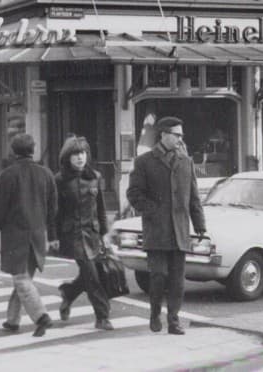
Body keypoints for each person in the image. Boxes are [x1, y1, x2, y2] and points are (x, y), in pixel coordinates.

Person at [127, 116, 206, 335]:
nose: (180, 138)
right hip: (156, 229)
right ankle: (154, 313)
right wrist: (152, 210)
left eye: (181, 134)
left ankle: (173, 320)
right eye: (176, 134)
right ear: (163, 135)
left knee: (177, 280)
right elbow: (133, 193)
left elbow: (194, 197)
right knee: (158, 275)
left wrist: (199, 225)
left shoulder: (186, 161)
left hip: (179, 229)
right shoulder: (144, 162)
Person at [0, 132, 57, 337]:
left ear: (13, 151)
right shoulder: (47, 174)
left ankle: (42, 317)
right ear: (33, 150)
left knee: (21, 279)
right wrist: (53, 236)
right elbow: (53, 210)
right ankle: (12, 320)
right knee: (24, 279)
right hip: (38, 236)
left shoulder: (7, 175)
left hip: (16, 237)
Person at [54, 136, 113, 330]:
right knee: (92, 276)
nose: (80, 158)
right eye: (75, 154)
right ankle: (102, 316)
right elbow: (55, 211)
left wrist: (105, 232)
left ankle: (69, 293)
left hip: (93, 234)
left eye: (83, 153)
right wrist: (53, 236)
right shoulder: (60, 180)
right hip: (73, 235)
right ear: (67, 158)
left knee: (93, 274)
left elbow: (101, 207)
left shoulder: (95, 176)